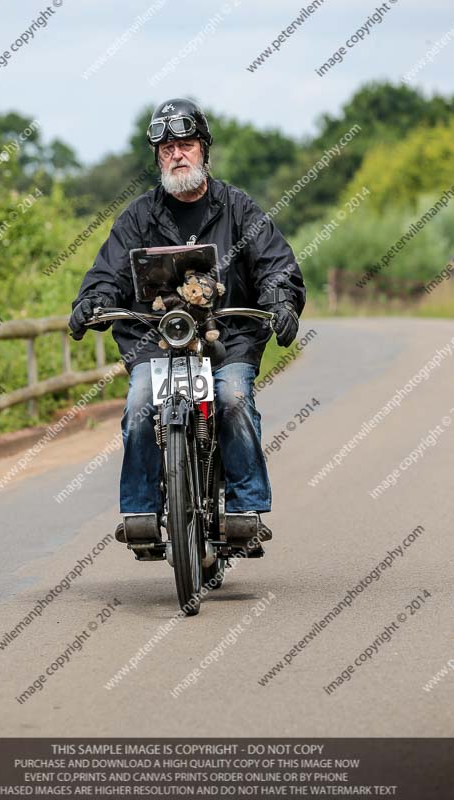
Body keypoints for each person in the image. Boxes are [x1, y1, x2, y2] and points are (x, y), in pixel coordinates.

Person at [69, 97, 306, 551]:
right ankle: (140, 509)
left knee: (233, 399)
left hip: (228, 340)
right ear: (158, 158)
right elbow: (108, 272)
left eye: (186, 144)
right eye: (166, 149)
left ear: (203, 150)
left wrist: (279, 298)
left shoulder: (238, 208)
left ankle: (243, 508)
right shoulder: (138, 217)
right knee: (139, 405)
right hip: (156, 342)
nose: (176, 154)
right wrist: (93, 300)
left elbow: (276, 264)